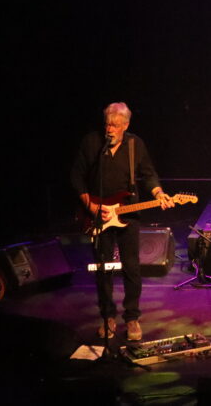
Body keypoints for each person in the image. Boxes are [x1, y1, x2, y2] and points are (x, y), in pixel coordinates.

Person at [70, 102, 174, 341]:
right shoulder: (92, 143)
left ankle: (132, 318)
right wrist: (90, 205)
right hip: (98, 214)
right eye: (107, 124)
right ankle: (107, 316)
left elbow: (149, 174)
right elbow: (76, 175)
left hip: (128, 213)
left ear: (125, 125)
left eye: (115, 125)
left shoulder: (135, 144)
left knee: (132, 267)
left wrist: (158, 193)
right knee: (103, 267)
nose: (110, 129)